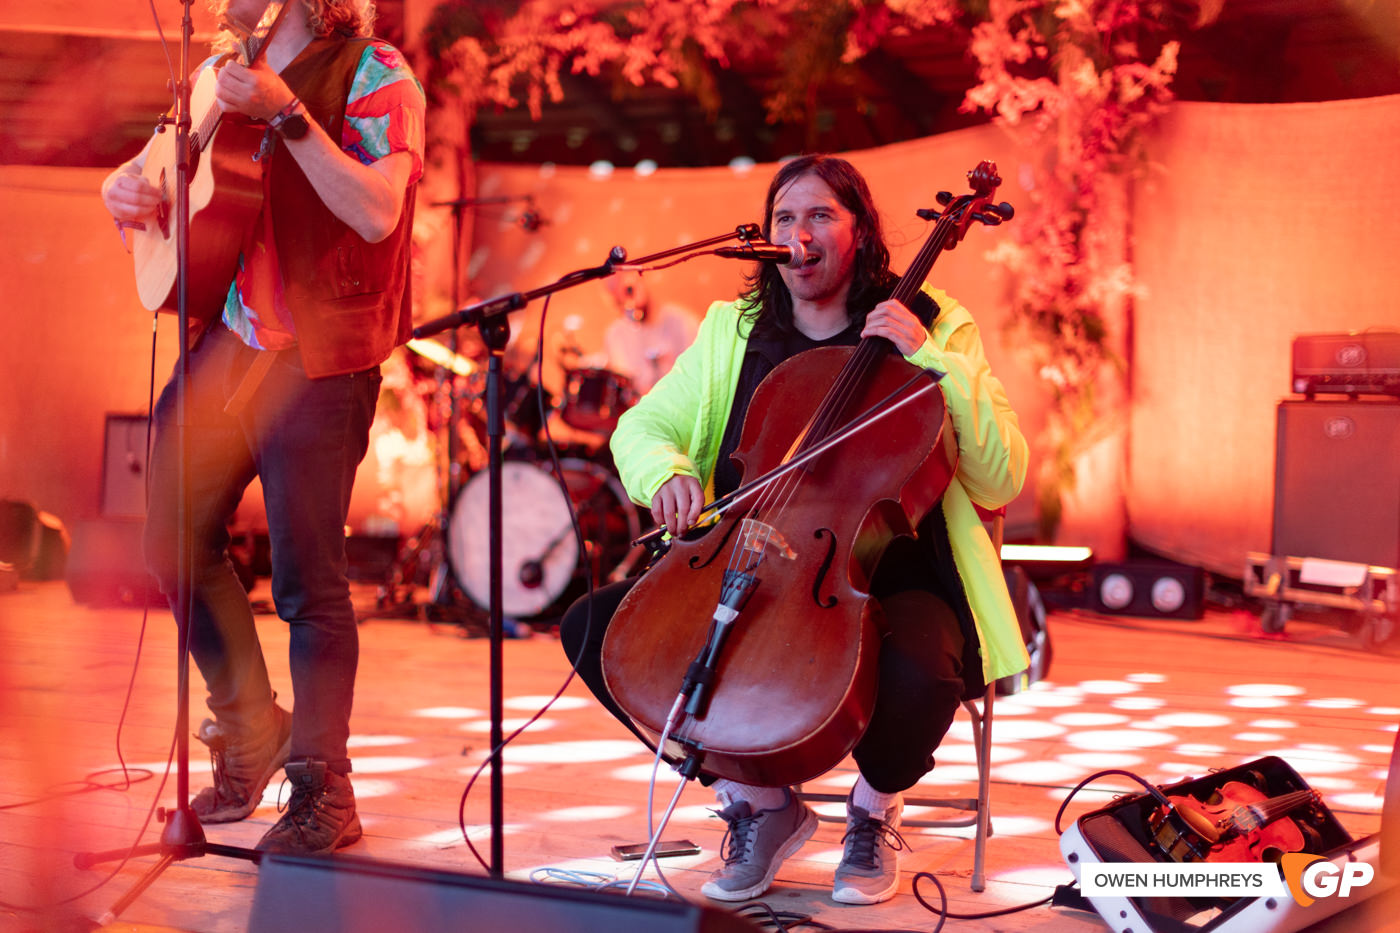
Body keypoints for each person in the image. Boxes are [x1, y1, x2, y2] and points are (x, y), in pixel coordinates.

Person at [559, 154, 1029, 905]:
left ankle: (874, 810)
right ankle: (765, 808)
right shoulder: (736, 327)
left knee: (920, 664)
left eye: (819, 216)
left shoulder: (935, 321)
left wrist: (932, 358)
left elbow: (1003, 474)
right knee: (604, 633)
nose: (798, 233)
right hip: (756, 556)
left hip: (898, 572)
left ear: (860, 233)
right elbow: (645, 425)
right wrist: (665, 474)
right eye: (784, 217)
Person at [100, 0, 424, 855]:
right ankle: (249, 727)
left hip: (322, 349)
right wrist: (119, 190)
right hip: (234, 337)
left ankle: (326, 791)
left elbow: (378, 212)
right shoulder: (213, 74)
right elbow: (144, 175)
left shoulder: (376, 70)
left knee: (306, 582)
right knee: (169, 533)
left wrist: (287, 111)